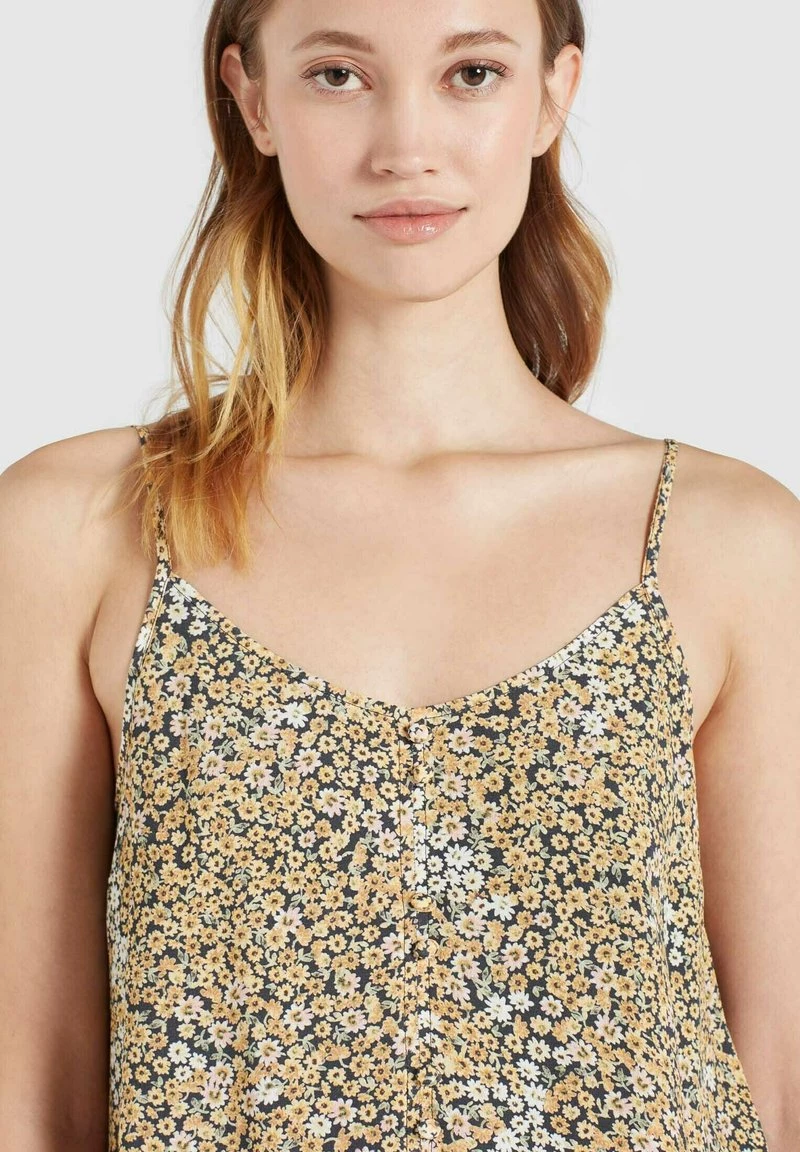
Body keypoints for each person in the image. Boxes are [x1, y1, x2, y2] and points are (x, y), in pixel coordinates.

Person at [1, 0, 798, 1149]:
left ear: (553, 94)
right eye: (338, 75)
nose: (404, 147)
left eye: (470, 73)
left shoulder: (722, 543)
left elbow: (777, 1079)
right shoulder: (84, 526)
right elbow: (33, 1079)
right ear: (251, 99)